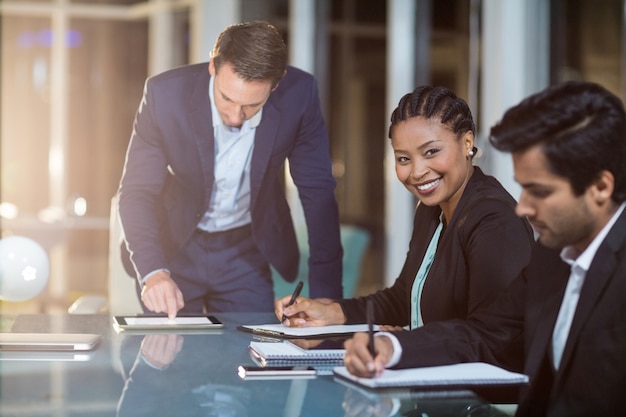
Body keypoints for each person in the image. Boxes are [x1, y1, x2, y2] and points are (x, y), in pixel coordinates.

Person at [343, 81, 626, 417]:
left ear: (600, 187)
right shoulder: (553, 256)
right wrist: (393, 346)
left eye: (540, 191)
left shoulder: (499, 221)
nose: (523, 208)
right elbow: (485, 334)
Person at [276, 86, 534, 352]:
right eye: (403, 159)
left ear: (467, 143)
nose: (418, 171)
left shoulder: (494, 219)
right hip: (432, 380)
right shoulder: (430, 210)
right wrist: (332, 313)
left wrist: (398, 344)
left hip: (483, 392)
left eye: (431, 152)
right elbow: (404, 300)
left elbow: (492, 337)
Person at [117, 21, 343, 318]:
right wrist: (153, 271)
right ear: (213, 66)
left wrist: (328, 303)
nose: (236, 117)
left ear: (276, 84)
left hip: (245, 250)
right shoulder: (165, 96)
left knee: (250, 351)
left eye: (252, 105)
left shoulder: (299, 96)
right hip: (175, 244)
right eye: (226, 99)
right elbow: (137, 191)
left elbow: (318, 192)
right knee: (169, 357)